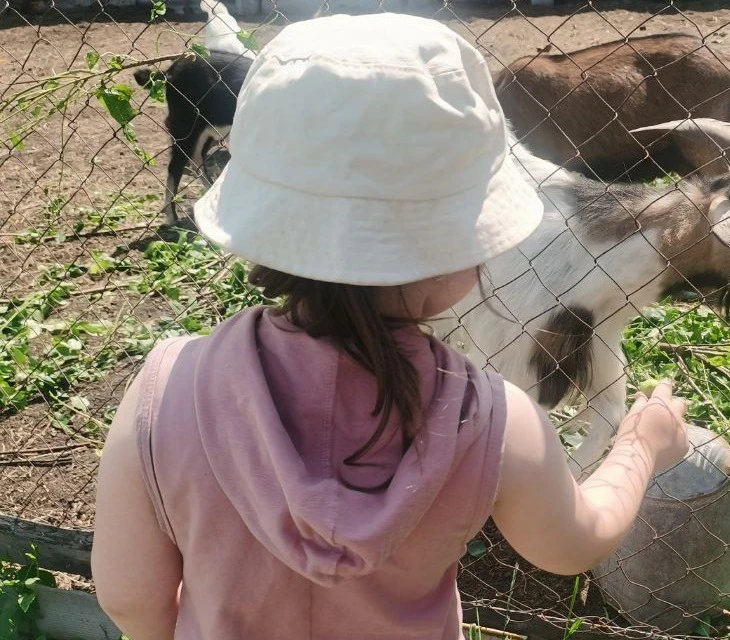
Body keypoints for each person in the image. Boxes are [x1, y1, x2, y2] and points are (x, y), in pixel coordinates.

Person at [91, 13, 688, 640]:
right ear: (466, 243)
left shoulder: (165, 386)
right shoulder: (489, 417)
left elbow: (131, 599)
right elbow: (573, 544)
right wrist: (642, 441)